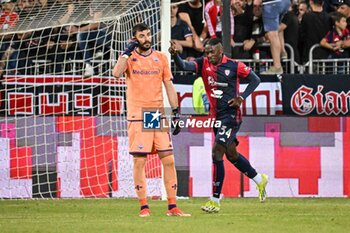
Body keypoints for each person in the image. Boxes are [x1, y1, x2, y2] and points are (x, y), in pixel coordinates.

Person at [169, 38, 268, 213]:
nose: (208, 55)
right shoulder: (203, 63)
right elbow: (184, 66)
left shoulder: (234, 65)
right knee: (231, 154)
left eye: (211, 52)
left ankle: (215, 200)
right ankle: (260, 179)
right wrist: (176, 55)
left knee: (217, 152)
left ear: (220, 51)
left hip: (231, 115)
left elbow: (255, 79)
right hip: (216, 117)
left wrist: (241, 97)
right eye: (206, 52)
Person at [113, 23, 190, 217]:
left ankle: (172, 207)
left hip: (156, 114)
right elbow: (115, 73)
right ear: (134, 38)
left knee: (169, 160)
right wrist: (125, 53)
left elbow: (169, 86)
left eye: (148, 34)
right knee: (140, 162)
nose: (147, 38)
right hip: (138, 114)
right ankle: (144, 206)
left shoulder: (161, 58)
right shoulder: (130, 58)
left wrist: (176, 112)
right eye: (142, 36)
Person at [254, 0, 290, 75]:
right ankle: (282, 51)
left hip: (271, 3)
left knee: (272, 34)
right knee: (276, 28)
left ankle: (277, 66)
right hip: (285, 2)